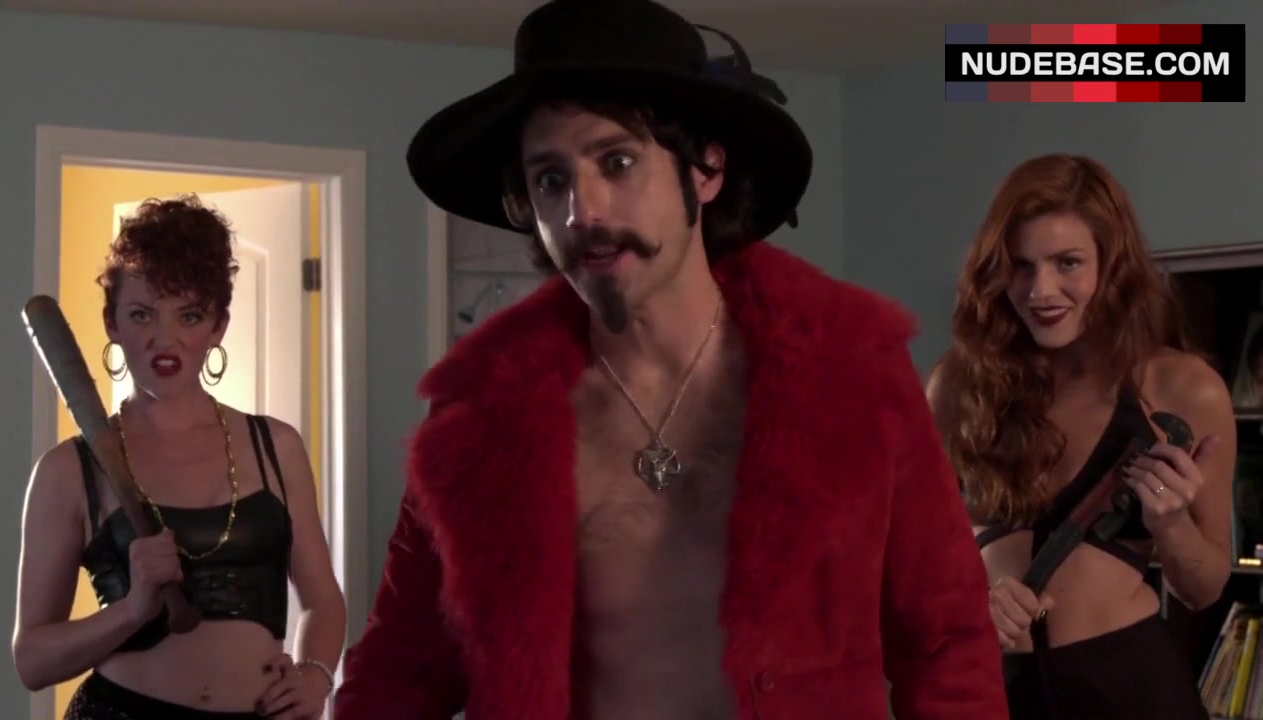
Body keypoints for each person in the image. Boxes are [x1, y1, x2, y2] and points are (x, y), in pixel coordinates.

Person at [334, 0, 1007, 718]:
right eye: (551, 180)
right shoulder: (479, 419)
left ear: (706, 169)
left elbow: (946, 641)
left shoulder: (850, 371)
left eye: (617, 162)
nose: (583, 212)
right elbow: (398, 670)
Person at [13, 195, 347, 719]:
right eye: (142, 314)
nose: (163, 339)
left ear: (217, 326)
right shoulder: (68, 471)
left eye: (188, 315)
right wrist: (132, 611)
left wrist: (317, 674)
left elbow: (323, 601)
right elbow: (32, 661)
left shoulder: (276, 447)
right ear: (112, 323)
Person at [926, 154, 1235, 719]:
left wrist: (1171, 524)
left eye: (1067, 262)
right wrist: (969, 598)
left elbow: (1204, 590)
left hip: (1128, 689)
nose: (1040, 291)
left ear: (1112, 264)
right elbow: (912, 555)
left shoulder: (1182, 388)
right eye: (1021, 266)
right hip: (995, 689)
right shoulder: (958, 384)